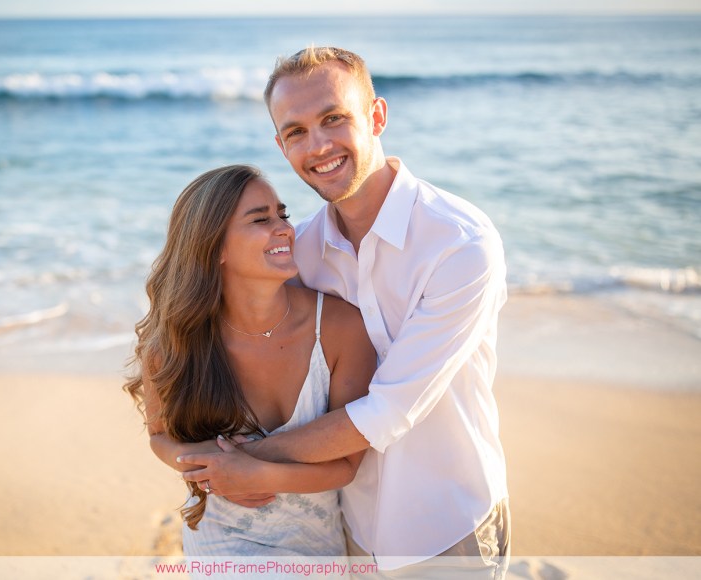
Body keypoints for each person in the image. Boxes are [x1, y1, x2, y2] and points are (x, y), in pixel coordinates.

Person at [178, 47, 511, 578]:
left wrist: (251, 462)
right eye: (296, 132)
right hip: (345, 528)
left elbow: (388, 410)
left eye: (334, 119)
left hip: (446, 527)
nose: (318, 146)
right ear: (281, 145)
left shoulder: (458, 244)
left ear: (377, 116)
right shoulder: (301, 252)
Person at [124, 164, 376, 558]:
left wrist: (257, 474)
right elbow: (160, 436)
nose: (284, 229)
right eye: (261, 219)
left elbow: (345, 464)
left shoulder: (341, 327)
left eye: (283, 214)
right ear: (216, 248)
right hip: (218, 538)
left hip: (313, 545)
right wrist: (208, 471)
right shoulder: (176, 336)